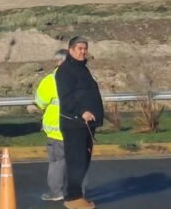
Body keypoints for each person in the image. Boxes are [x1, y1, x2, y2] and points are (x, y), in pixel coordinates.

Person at [55, 36, 103, 209]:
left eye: (85, 48)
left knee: (84, 160)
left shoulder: (82, 69)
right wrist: (82, 111)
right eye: (79, 48)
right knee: (76, 161)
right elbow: (66, 98)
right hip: (74, 124)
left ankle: (77, 196)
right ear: (70, 50)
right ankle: (73, 198)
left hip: (86, 125)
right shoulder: (65, 71)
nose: (83, 51)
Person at [35, 48, 69, 202]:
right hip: (77, 129)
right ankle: (78, 192)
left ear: (58, 61)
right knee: (77, 161)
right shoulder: (81, 77)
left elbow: (40, 103)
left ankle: (56, 191)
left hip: (57, 130)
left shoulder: (50, 80)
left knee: (57, 161)